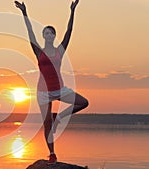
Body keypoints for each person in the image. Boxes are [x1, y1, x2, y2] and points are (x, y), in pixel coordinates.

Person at [15, 0, 89, 164]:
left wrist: (72, 10)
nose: (49, 35)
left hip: (59, 89)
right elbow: (30, 32)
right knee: (47, 124)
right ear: (43, 36)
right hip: (42, 92)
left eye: (51, 33)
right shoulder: (38, 51)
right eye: (46, 33)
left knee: (83, 102)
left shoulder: (59, 51)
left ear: (54, 36)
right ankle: (52, 154)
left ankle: (60, 116)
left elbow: (69, 31)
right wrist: (24, 13)